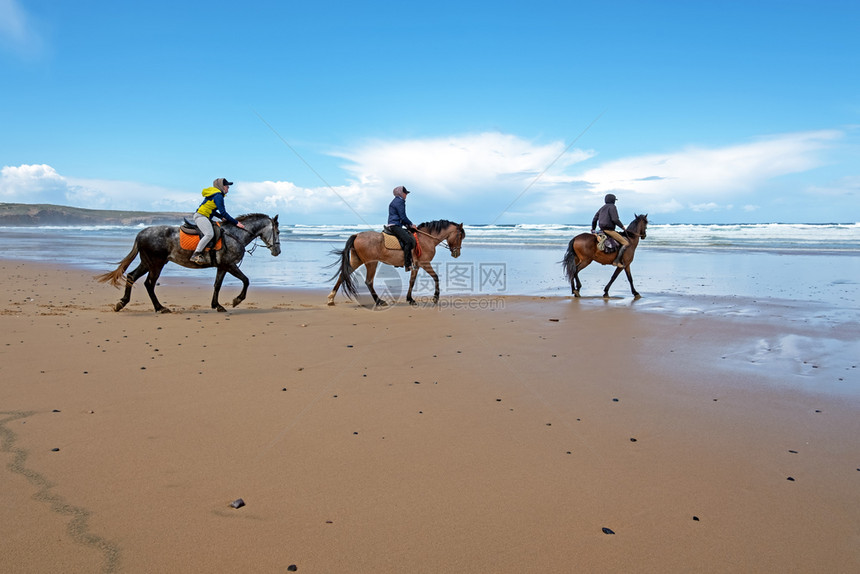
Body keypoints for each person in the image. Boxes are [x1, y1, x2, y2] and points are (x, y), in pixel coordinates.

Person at [189, 178, 245, 265]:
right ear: (222, 187)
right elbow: (223, 212)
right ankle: (196, 254)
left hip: (205, 217)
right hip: (201, 217)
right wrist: (236, 223)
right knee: (209, 234)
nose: (228, 188)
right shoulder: (218, 196)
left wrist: (220, 217)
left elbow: (213, 210)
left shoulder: (216, 194)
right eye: (227, 186)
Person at [591, 193, 629, 268]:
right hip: (609, 230)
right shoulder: (613, 207)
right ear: (613, 200)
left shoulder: (602, 208)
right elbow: (615, 219)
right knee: (626, 243)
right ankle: (616, 261)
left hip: (601, 230)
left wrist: (593, 229)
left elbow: (594, 219)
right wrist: (622, 227)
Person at [385, 185, 418, 271]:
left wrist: (408, 226)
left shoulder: (395, 201)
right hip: (394, 226)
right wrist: (411, 224)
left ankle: (398, 261)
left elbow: (401, 218)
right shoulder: (400, 202)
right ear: (401, 193)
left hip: (395, 225)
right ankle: (407, 265)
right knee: (409, 241)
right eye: (405, 193)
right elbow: (403, 217)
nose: (406, 195)